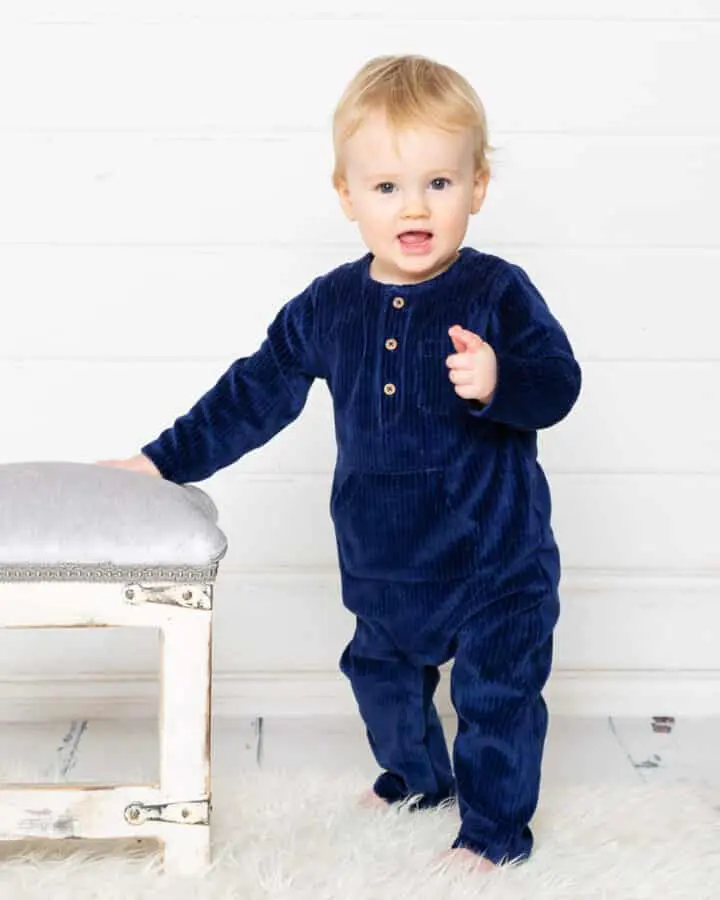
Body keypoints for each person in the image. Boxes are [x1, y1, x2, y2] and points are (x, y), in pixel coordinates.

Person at [100, 54, 582, 871]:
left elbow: (559, 384)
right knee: (382, 680)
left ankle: (494, 834)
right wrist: (161, 460)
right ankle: (419, 777)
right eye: (388, 187)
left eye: (439, 182)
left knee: (496, 697)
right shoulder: (328, 304)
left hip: (494, 562)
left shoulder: (497, 291)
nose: (415, 205)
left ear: (478, 186)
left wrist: (503, 379)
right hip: (383, 560)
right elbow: (252, 394)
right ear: (347, 195)